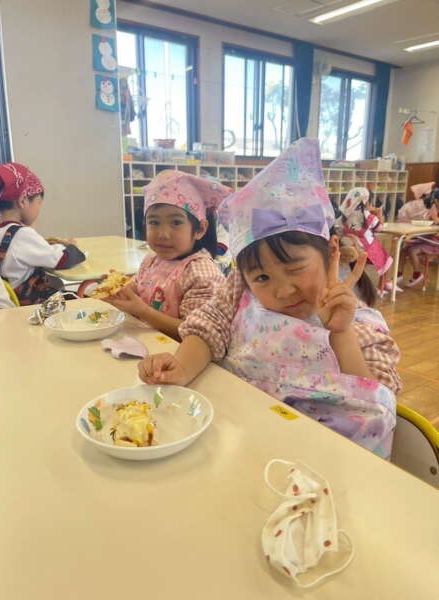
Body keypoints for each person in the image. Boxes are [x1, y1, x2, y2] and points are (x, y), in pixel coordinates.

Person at [138, 138, 401, 458]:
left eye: (295, 267)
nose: (282, 290)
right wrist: (181, 367)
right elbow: (209, 325)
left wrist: (341, 334)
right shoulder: (241, 290)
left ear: (331, 252)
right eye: (262, 277)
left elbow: (380, 403)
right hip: (238, 439)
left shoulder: (360, 325)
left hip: (316, 459)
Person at [104, 170, 230, 339]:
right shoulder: (151, 260)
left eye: (176, 222)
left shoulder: (201, 273)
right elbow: (139, 288)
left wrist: (143, 311)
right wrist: (119, 290)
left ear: (200, 229)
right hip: (145, 343)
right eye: (154, 222)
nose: (163, 234)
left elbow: (197, 334)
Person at [0, 162, 85, 305]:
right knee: (83, 300)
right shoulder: (22, 235)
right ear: (23, 201)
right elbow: (61, 260)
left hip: (4, 303)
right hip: (30, 306)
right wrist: (72, 247)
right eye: (39, 203)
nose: (39, 209)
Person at [398, 186, 439, 287]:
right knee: (403, 249)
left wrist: (434, 217)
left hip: (435, 242)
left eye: (436, 200)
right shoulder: (433, 208)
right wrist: (428, 216)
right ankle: (399, 274)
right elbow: (427, 221)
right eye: (435, 200)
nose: (435, 202)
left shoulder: (434, 210)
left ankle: (417, 274)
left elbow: (436, 222)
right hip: (427, 238)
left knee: (413, 251)